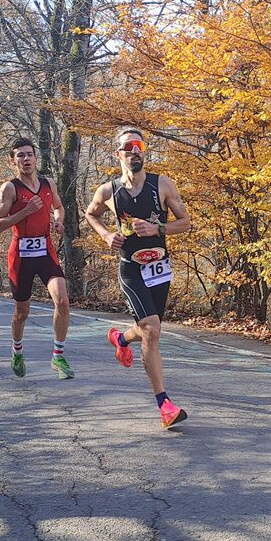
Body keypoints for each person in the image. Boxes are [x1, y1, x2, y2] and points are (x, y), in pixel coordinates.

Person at [83, 127, 192, 428]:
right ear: (117, 154)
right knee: (153, 330)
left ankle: (120, 337)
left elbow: (185, 222)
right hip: (131, 268)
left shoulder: (162, 185)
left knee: (147, 329)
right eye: (128, 147)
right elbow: (90, 214)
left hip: (159, 267)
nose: (135, 151)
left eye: (139, 146)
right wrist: (105, 234)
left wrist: (158, 229)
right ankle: (165, 405)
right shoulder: (109, 192)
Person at [0, 138, 74, 379]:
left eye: (29, 154)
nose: (26, 159)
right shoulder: (10, 188)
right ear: (13, 161)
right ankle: (17, 349)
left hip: (45, 251)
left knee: (62, 301)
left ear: (36, 158)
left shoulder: (48, 183)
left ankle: (58, 356)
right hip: (20, 256)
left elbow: (58, 206)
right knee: (22, 312)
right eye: (20, 155)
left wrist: (58, 220)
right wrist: (25, 211)